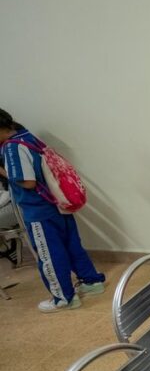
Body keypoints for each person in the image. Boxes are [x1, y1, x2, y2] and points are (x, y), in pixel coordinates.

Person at [0, 107, 106, 312]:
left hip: (39, 211)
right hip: (58, 203)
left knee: (49, 254)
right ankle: (92, 282)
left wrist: (2, 171)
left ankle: (63, 298)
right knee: (72, 245)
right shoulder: (28, 137)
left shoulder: (12, 148)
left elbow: (27, 182)